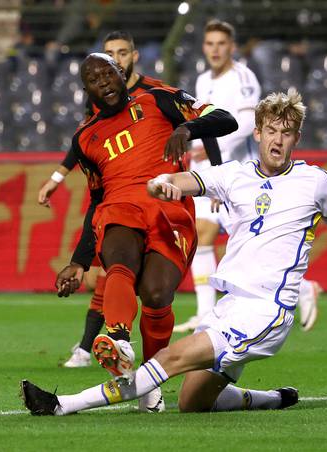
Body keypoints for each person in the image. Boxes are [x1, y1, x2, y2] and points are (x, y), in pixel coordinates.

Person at [21, 88, 327, 416]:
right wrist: (163, 182)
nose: (278, 140)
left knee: (172, 356)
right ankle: (276, 399)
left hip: (266, 311)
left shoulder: (314, 182)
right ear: (257, 133)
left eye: (287, 133)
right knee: (193, 401)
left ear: (297, 137)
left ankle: (63, 405)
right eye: (271, 131)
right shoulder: (237, 175)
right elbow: (193, 181)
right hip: (230, 305)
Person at [50, 52, 236, 412]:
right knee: (119, 255)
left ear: (123, 73)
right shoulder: (85, 139)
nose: (104, 82)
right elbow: (97, 200)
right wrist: (78, 261)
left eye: (109, 73)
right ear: (85, 89)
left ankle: (151, 382)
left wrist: (186, 128)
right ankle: (118, 337)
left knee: (155, 294)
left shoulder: (158, 99)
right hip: (120, 207)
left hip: (170, 208)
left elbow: (224, 119)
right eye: (94, 79)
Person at [175, 19, 321, 334]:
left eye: (221, 44)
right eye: (210, 43)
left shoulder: (242, 78)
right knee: (200, 235)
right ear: (204, 47)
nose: (215, 50)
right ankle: (203, 312)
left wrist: (211, 148)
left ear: (232, 47)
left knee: (255, 246)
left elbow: (244, 124)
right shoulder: (202, 81)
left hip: (240, 174)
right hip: (210, 171)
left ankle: (304, 288)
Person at [37, 31, 171, 370]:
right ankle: (108, 343)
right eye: (110, 53)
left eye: (120, 54)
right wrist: (57, 177)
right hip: (121, 200)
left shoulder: (154, 95)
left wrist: (212, 173)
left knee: (143, 284)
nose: (116, 61)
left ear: (130, 58)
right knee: (113, 269)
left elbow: (198, 118)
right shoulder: (99, 103)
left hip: (164, 196)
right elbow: (85, 139)